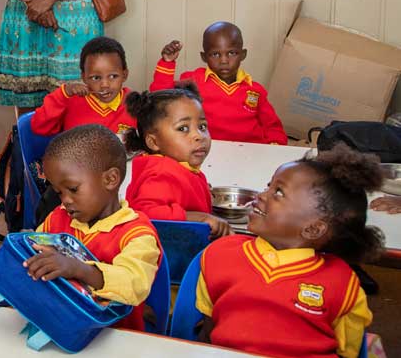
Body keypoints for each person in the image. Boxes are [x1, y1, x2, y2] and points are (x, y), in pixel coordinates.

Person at [195, 145, 383, 357]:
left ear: (313, 228)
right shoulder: (219, 255)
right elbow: (208, 333)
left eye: (278, 192)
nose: (262, 195)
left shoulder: (342, 283)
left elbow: (349, 351)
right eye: (268, 186)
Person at [27, 125, 161, 331]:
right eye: (58, 192)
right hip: (59, 328)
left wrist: (78, 269)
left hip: (116, 337)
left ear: (110, 179)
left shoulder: (137, 234)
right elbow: (34, 249)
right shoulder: (57, 218)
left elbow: (134, 284)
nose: (66, 200)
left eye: (72, 189)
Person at [150, 22, 288, 145]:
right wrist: (167, 62)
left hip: (251, 152)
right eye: (215, 54)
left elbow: (273, 126)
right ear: (204, 57)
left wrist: (274, 147)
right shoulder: (193, 81)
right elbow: (160, 98)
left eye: (232, 53)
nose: (224, 60)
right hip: (207, 150)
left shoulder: (255, 90)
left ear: (243, 54)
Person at [124, 87, 231, 238]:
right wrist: (200, 218)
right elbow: (145, 213)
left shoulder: (181, 166)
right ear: (154, 142)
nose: (198, 136)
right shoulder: (160, 173)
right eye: (183, 128)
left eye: (202, 126)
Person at [30, 36, 135, 137]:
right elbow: (39, 127)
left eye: (113, 76)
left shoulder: (136, 104)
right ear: (84, 77)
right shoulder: (70, 102)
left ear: (124, 75)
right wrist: (63, 94)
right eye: (96, 78)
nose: (104, 85)